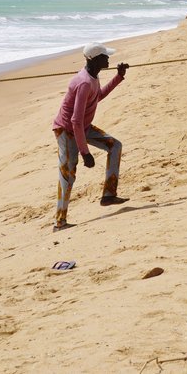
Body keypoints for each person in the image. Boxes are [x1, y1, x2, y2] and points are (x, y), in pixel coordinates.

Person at [51, 42, 130, 232]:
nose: (108, 59)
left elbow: (98, 97)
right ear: (95, 60)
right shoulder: (85, 82)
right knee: (68, 173)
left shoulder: (93, 77)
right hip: (67, 130)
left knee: (114, 145)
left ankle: (108, 195)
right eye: (105, 56)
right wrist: (85, 152)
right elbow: (75, 120)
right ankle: (59, 222)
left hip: (82, 127)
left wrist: (118, 77)